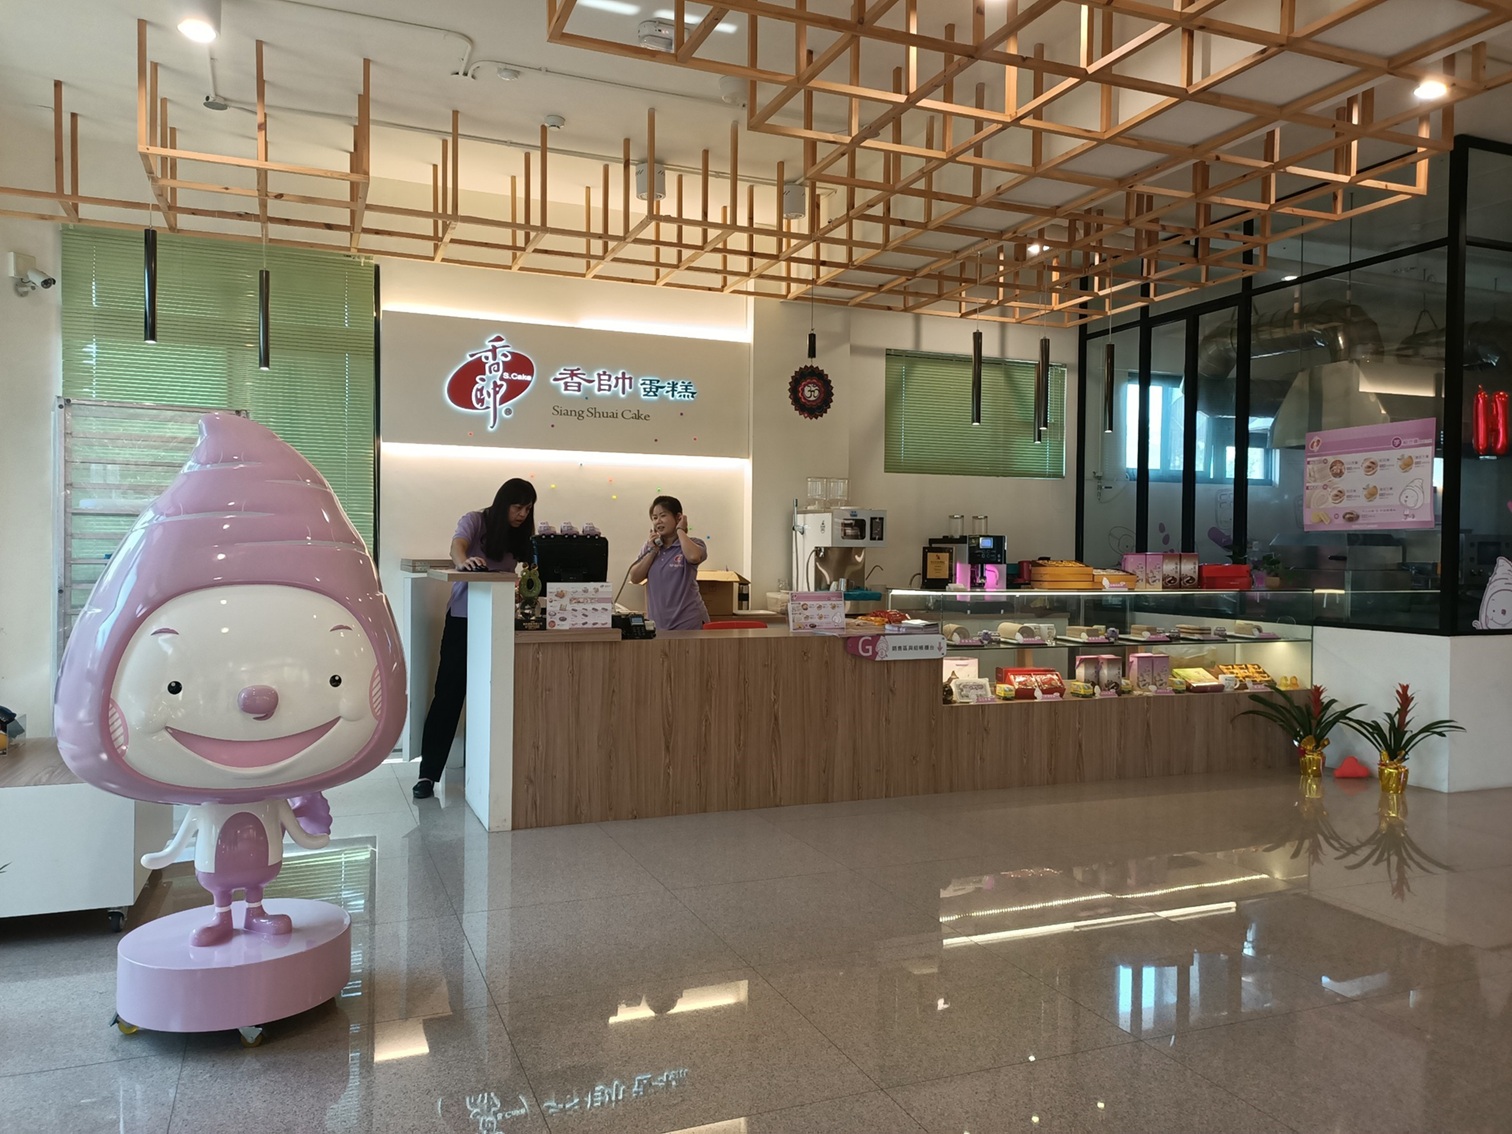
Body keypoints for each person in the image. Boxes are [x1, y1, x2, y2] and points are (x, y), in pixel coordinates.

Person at [413, 478, 536, 799]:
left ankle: (490, 776)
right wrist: (463, 562)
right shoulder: (475, 520)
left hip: (500, 624)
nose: (522, 514)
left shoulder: (521, 535)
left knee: (496, 697)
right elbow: (457, 546)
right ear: (503, 503)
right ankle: (428, 774)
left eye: (528, 509)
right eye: (517, 507)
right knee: (448, 696)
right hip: (463, 621)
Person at [629, 495, 710, 632]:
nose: (658, 521)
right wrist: (652, 551)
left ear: (678, 517)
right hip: (658, 623)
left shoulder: (694, 543)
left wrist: (680, 530)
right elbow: (635, 578)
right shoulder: (650, 547)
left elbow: (693, 557)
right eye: (654, 518)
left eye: (663, 516)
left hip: (688, 622)